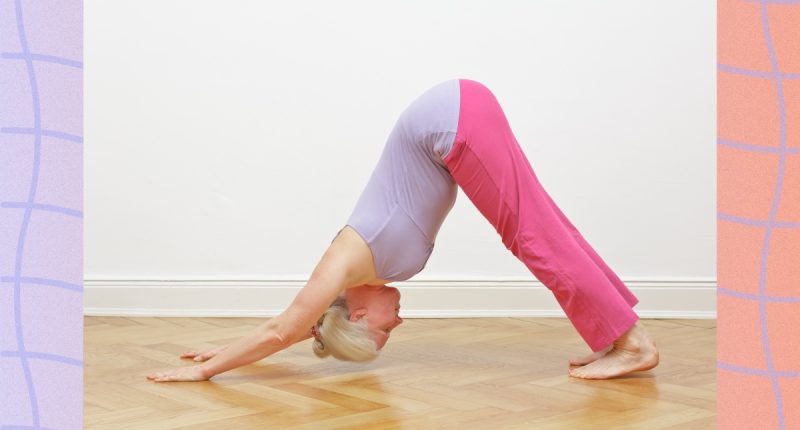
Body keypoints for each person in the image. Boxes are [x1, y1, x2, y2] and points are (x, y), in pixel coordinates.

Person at [147, 78, 659, 383]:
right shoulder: (349, 293)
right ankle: (618, 336)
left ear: (361, 314)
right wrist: (226, 350)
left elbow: (284, 327)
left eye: (382, 333)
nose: (397, 326)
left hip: (450, 122)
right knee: (541, 226)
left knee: (532, 234)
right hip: (455, 116)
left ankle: (630, 343)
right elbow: (306, 326)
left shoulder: (346, 260)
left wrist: (204, 373)